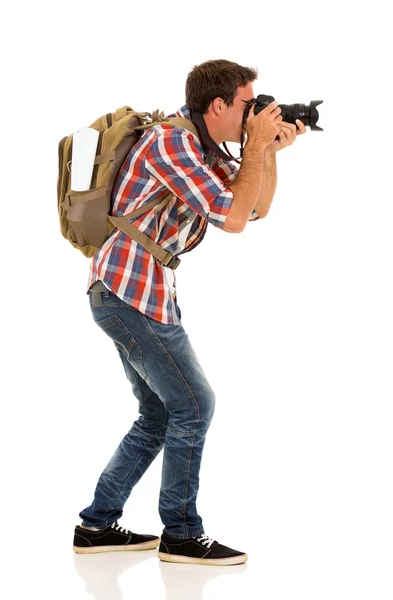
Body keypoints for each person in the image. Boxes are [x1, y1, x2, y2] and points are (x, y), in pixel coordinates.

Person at [72, 59, 306, 565]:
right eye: (249, 104)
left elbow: (255, 207)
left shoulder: (202, 147)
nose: (254, 113)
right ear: (218, 105)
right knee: (195, 404)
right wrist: (255, 149)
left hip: (134, 293)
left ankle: (96, 524)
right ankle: (181, 533)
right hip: (128, 292)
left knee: (159, 412)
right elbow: (231, 219)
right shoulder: (171, 143)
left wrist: (264, 151)